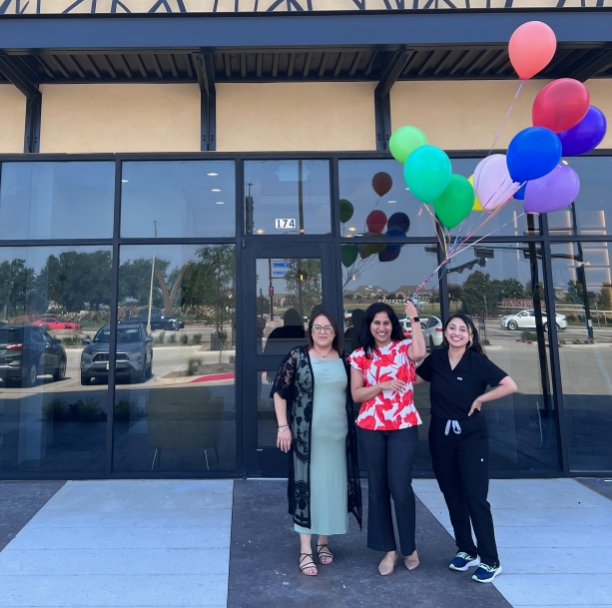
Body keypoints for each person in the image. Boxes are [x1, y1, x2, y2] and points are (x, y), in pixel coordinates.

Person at [415, 314, 517, 584]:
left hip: (471, 436)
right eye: (452, 328)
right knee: (451, 494)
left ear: (471, 336)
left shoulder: (478, 362)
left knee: (475, 497)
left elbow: (510, 385)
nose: (457, 333)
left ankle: (490, 559)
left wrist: (482, 397)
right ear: (445, 332)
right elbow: (411, 380)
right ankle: (466, 549)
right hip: (440, 435)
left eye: (463, 329)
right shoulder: (435, 360)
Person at [271, 311, 362, 576]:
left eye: (328, 328)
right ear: (310, 331)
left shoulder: (346, 360)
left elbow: (357, 392)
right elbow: (279, 392)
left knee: (330, 490)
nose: (322, 332)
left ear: (336, 333)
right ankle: (305, 549)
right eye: (317, 327)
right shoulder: (297, 357)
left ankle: (323, 542)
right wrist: (283, 427)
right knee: (306, 490)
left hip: (337, 438)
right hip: (305, 439)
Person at [349, 301, 426, 576]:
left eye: (386, 322)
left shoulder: (403, 347)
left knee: (400, 486)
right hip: (371, 427)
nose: (381, 327)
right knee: (379, 487)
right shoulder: (360, 355)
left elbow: (420, 353)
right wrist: (380, 386)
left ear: (393, 325)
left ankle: (409, 547)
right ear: (369, 326)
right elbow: (357, 395)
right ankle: (388, 550)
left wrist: (414, 318)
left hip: (403, 424)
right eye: (376, 322)